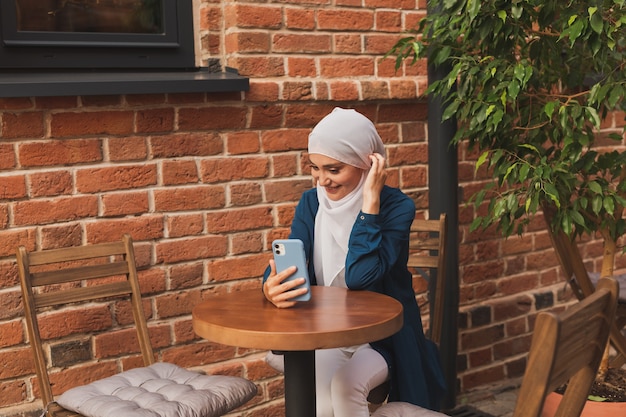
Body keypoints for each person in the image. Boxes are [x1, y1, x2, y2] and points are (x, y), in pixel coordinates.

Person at [262, 107, 446, 417]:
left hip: (380, 337)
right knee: (319, 400)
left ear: (367, 163)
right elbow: (292, 256)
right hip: (328, 330)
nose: (323, 181)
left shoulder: (397, 207)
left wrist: (369, 205)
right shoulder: (311, 202)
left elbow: (360, 276)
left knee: (346, 388)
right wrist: (271, 286)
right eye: (315, 168)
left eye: (334, 170)